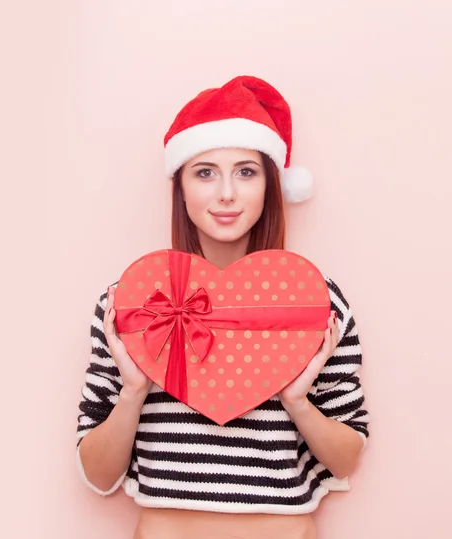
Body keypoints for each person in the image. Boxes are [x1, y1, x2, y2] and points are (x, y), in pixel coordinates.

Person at [75, 75, 369, 539]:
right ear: (181, 187)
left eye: (246, 172)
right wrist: (134, 391)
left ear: (271, 186)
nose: (226, 193)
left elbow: (347, 457)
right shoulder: (130, 304)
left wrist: (296, 399)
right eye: (205, 172)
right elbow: (97, 475)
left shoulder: (318, 303)